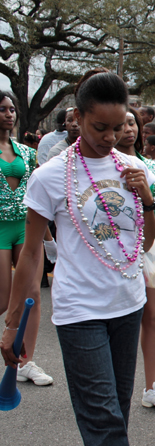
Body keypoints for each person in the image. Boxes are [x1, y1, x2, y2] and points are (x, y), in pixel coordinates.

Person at [1, 68, 155, 446]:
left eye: (119, 126)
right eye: (99, 127)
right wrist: (11, 322)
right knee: (102, 410)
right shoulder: (49, 176)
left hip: (126, 302)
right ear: (77, 118)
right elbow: (31, 253)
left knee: (119, 404)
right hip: (78, 309)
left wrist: (147, 199)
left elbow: (144, 241)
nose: (111, 137)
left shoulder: (136, 169)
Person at [115, 108, 155, 413]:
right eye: (122, 124)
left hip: (148, 248)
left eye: (132, 123)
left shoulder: (149, 167)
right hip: (114, 248)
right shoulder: (103, 166)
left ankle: (152, 387)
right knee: (119, 320)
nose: (128, 129)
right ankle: (112, 387)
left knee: (152, 317)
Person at [0, 90, 54, 386]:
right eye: (2, 109)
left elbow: (38, 200)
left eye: (11, 109)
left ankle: (26, 361)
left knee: (32, 294)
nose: (9, 114)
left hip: (24, 226)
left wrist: (47, 239)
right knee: (4, 294)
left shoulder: (27, 152)